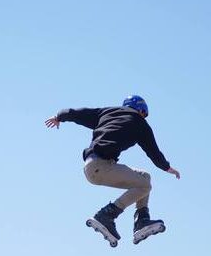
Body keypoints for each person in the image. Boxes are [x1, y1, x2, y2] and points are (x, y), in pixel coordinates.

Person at [45, 96, 180, 246]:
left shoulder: (106, 113)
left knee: (144, 177)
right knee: (144, 186)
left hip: (92, 166)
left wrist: (59, 116)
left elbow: (79, 113)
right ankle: (107, 215)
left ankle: (142, 220)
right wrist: (167, 167)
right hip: (102, 167)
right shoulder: (140, 123)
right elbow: (153, 152)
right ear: (142, 111)